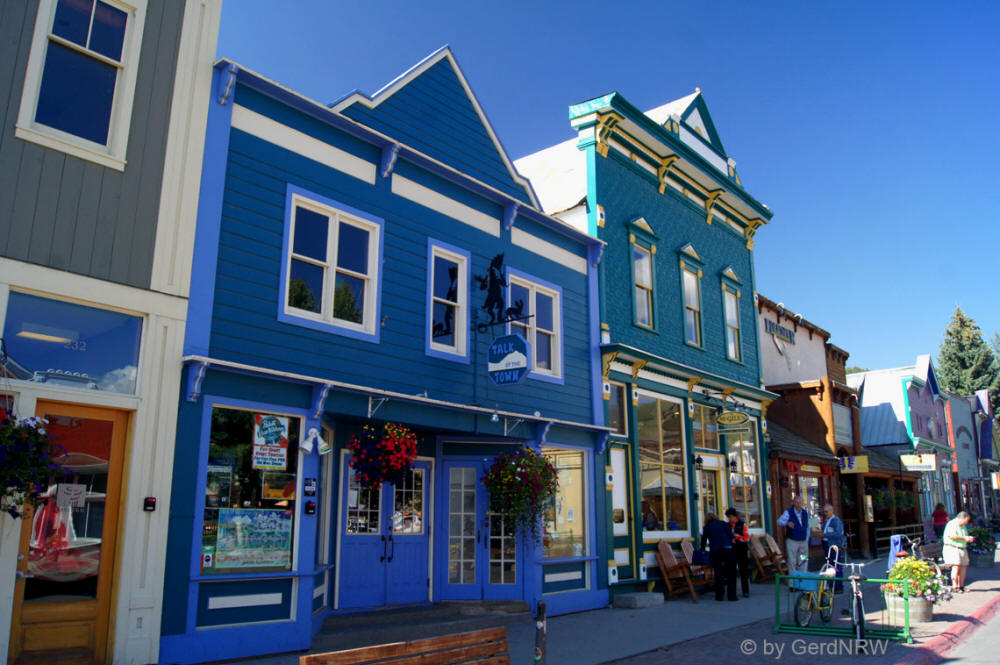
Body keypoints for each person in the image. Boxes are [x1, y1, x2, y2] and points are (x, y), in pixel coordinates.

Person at [701, 512, 737, 601]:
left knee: (718, 573)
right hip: (727, 549)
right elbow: (731, 536)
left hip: (715, 550)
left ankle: (719, 596)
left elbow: (703, 540)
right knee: (730, 572)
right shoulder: (724, 524)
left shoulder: (707, 527)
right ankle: (732, 596)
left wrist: (703, 549)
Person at [776, 495, 811, 573]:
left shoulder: (805, 513)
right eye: (797, 502)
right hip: (792, 540)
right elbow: (779, 521)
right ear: (793, 503)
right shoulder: (789, 512)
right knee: (792, 560)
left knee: (804, 559)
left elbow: (808, 527)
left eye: (800, 502)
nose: (799, 504)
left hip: (803, 541)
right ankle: (792, 579)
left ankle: (803, 578)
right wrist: (787, 523)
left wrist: (807, 539)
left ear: (802, 503)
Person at [943, 511, 974, 592]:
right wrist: (964, 538)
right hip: (952, 548)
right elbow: (952, 535)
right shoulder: (952, 524)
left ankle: (961, 586)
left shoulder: (963, 526)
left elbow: (964, 536)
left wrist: (968, 538)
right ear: (960, 518)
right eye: (965, 521)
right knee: (956, 566)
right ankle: (955, 586)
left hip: (962, 548)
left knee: (964, 566)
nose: (966, 523)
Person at [726, 507, 751, 597]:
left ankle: (745, 591)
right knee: (732, 571)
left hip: (742, 549)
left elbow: (746, 538)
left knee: (743, 570)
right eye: (728, 517)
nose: (730, 519)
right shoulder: (727, 525)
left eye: (731, 517)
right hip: (732, 550)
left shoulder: (742, 524)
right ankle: (733, 592)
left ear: (734, 516)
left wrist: (737, 537)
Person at [821, 504, 845, 593]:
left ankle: (839, 587)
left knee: (836, 565)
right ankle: (831, 585)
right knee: (829, 565)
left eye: (827, 512)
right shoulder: (826, 521)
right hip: (826, 544)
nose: (825, 514)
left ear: (832, 511)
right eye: (824, 512)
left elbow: (838, 534)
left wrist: (826, 535)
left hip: (834, 546)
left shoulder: (836, 521)